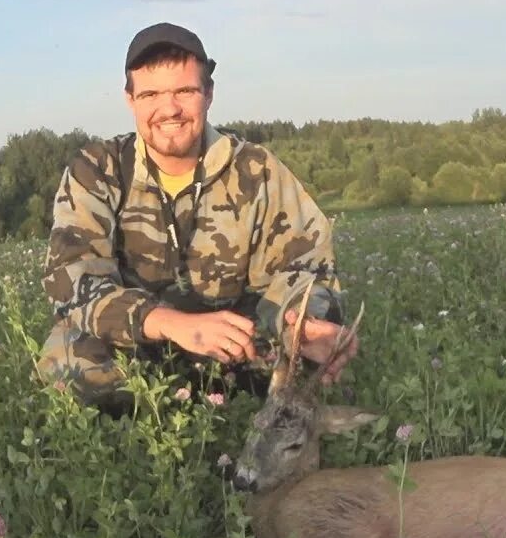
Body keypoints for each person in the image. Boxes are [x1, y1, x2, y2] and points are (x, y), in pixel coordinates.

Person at [37, 22, 358, 414]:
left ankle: (226, 414)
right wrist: (171, 323)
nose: (168, 109)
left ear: (208, 94)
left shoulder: (256, 170)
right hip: (142, 346)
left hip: (235, 347)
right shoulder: (97, 170)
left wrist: (301, 323)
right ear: (130, 99)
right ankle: (150, 437)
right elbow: (73, 281)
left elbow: (308, 268)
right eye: (151, 93)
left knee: (307, 350)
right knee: (65, 360)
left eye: (184, 91)